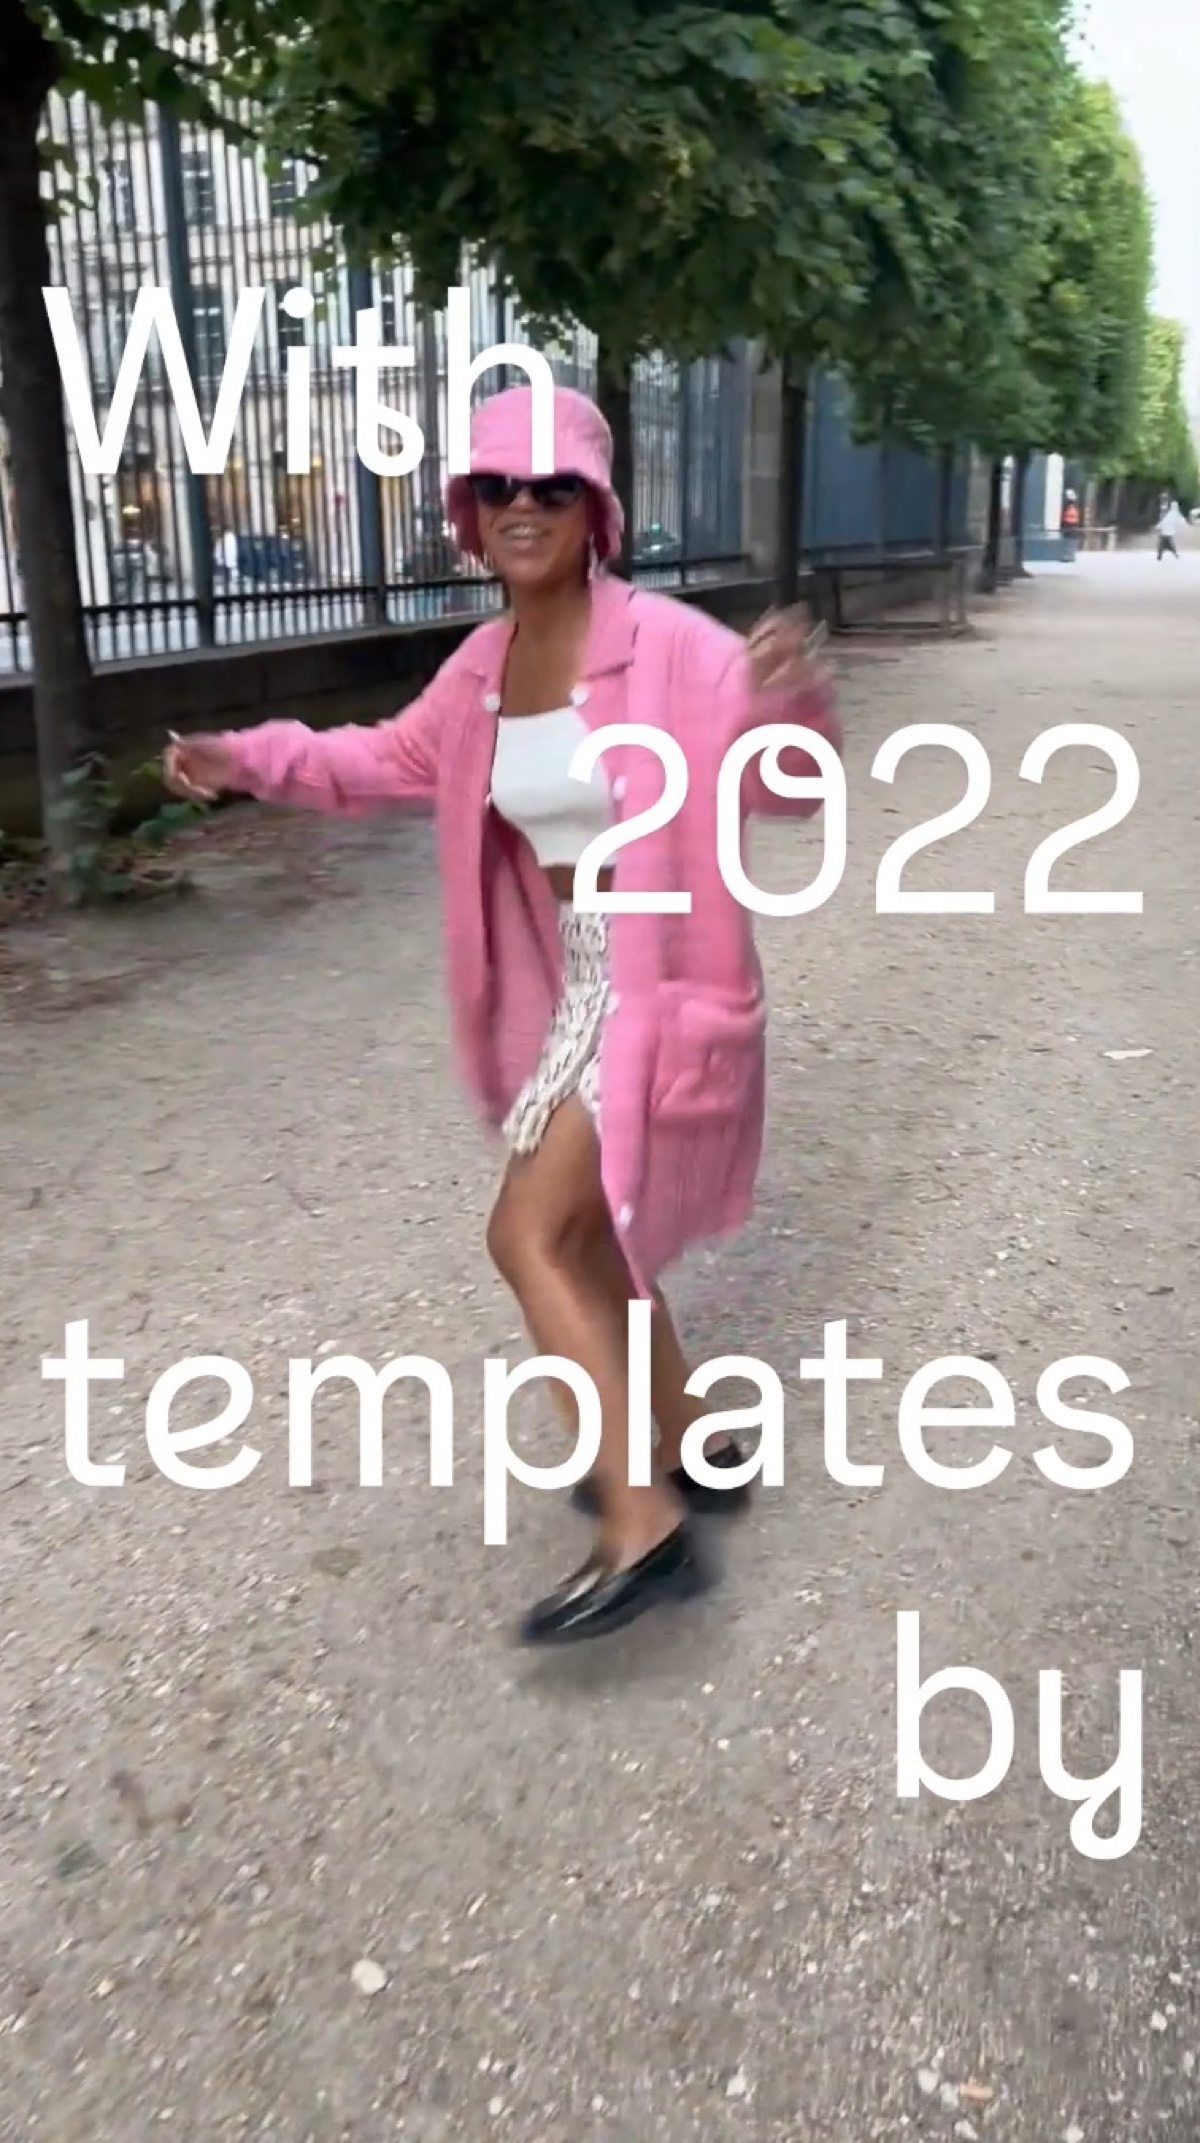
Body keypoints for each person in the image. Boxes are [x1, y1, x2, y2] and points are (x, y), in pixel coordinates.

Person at [163, 383, 842, 1646]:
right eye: (498, 486)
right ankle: (691, 1438)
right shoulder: (480, 670)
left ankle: (641, 1527)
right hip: (581, 977)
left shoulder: (673, 647)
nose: (524, 505)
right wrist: (246, 756)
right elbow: (380, 759)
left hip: (662, 978)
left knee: (527, 1232)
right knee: (590, 1236)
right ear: (469, 513)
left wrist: (789, 702)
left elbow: (790, 785)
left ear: (596, 512)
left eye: (553, 486)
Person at [1156, 496, 1186, 560]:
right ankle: (1165, 554)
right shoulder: (1169, 511)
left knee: (1163, 543)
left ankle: (1161, 555)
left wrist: (1158, 527)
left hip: (1165, 531)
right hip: (1166, 531)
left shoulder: (1169, 512)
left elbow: (1165, 520)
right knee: (1166, 543)